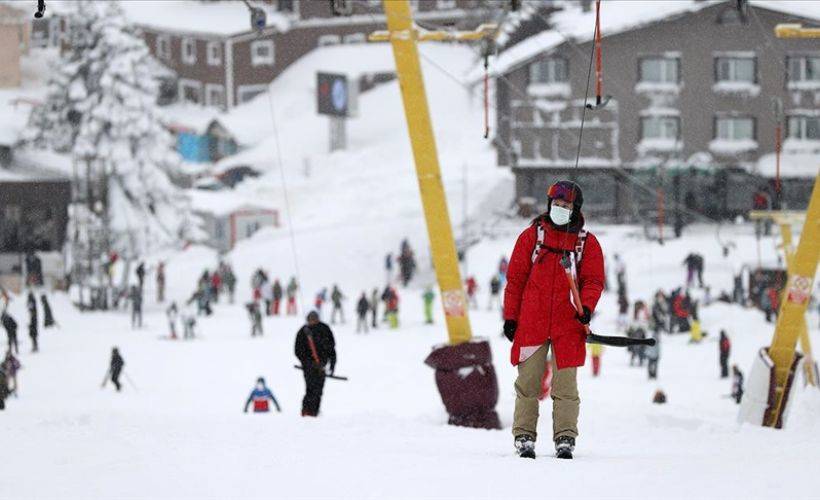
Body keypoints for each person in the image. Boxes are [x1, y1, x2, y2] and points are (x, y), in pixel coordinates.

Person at [503, 181, 605, 460]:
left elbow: (593, 281)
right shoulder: (531, 237)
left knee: (565, 386)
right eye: (557, 205)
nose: (561, 210)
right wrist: (511, 317)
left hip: (568, 325)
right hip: (531, 322)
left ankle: (565, 437)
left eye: (567, 206)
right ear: (549, 206)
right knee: (528, 383)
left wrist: (586, 306)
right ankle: (524, 435)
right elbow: (515, 281)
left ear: (576, 209)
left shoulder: (586, 243)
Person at [294, 311, 337, 417]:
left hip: (321, 366)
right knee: (310, 389)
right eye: (310, 319)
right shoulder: (303, 331)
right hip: (309, 368)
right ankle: (306, 412)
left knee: (318, 391)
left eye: (313, 319)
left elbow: (331, 349)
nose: (312, 321)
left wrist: (331, 366)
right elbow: (298, 351)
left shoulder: (324, 329)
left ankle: (314, 412)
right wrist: (308, 363)